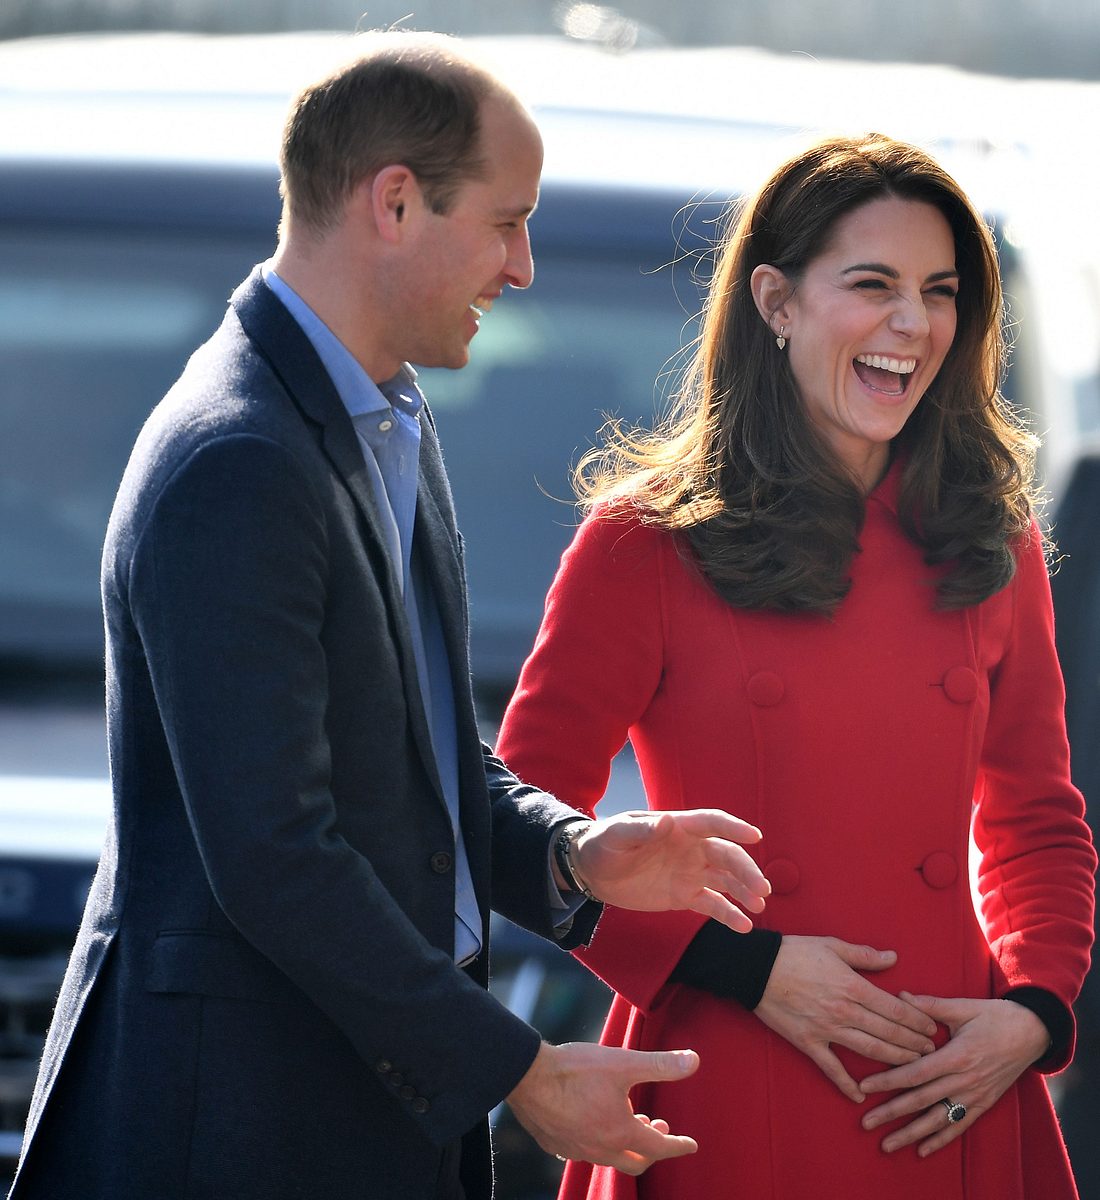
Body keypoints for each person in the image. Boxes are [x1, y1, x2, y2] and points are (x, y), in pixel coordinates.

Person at [7, 33, 773, 1200]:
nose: (522, 267)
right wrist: (515, 1068)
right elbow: (274, 857)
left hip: (342, 1118)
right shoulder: (240, 459)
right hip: (239, 1137)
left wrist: (573, 850)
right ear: (396, 203)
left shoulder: (383, 416)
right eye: (507, 221)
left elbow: (407, 752)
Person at [496, 133, 1097, 1200]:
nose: (911, 324)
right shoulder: (646, 543)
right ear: (774, 301)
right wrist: (740, 969)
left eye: (939, 291)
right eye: (871, 284)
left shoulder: (986, 542)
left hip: (948, 1081)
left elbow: (1034, 820)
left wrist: (1033, 1013)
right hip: (732, 1067)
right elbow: (525, 825)